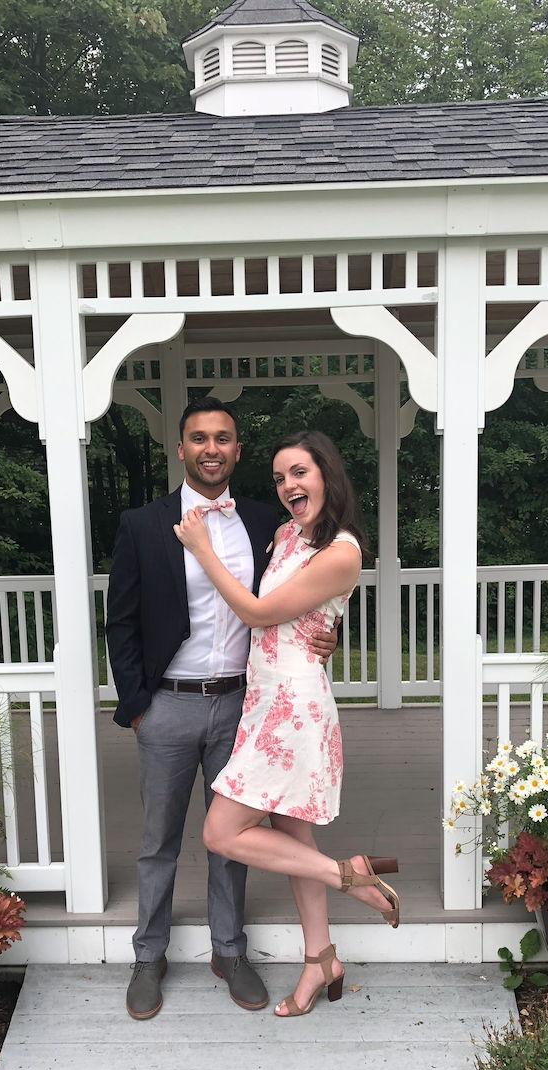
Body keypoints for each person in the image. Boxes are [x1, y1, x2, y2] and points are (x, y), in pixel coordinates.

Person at [106, 398, 339, 1021]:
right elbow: (120, 622)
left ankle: (229, 951)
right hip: (168, 704)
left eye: (224, 439)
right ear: (180, 449)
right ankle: (147, 956)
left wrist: (327, 633)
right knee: (158, 841)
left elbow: (305, 587)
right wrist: (137, 706)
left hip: (245, 705)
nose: (212, 448)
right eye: (199, 438)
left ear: (237, 451)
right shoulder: (142, 524)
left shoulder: (268, 522)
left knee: (230, 840)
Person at [172, 429, 400, 1018]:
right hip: (264, 700)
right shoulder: (289, 536)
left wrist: (203, 549)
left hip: (293, 709)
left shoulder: (342, 550)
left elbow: (254, 611)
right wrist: (331, 631)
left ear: (326, 473)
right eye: (279, 478)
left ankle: (347, 875)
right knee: (292, 834)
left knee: (221, 832)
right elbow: (298, 619)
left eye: (299, 472)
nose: (288, 486)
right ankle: (320, 960)